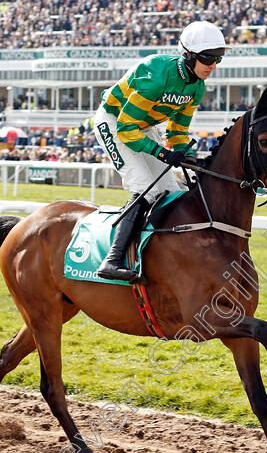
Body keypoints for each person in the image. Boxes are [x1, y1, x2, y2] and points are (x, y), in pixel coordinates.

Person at [92, 20, 229, 284]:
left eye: (218, 58)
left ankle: (156, 254)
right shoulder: (155, 74)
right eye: (208, 58)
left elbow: (178, 131)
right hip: (114, 121)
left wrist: (185, 155)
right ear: (187, 55)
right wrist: (164, 154)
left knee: (174, 193)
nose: (213, 65)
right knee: (147, 189)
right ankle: (112, 260)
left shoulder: (197, 87)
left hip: (143, 127)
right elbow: (125, 128)